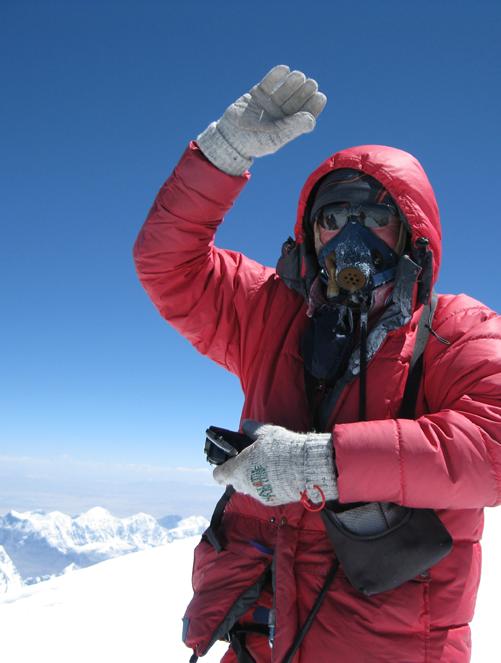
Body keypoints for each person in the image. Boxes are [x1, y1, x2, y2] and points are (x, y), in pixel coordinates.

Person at [133, 65, 501, 663]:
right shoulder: (270, 314)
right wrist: (223, 154)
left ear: (411, 234)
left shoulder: (457, 331)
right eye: (333, 219)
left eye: (374, 217)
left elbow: (493, 445)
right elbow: (166, 265)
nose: (350, 237)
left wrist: (322, 464)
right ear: (311, 236)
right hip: (262, 640)